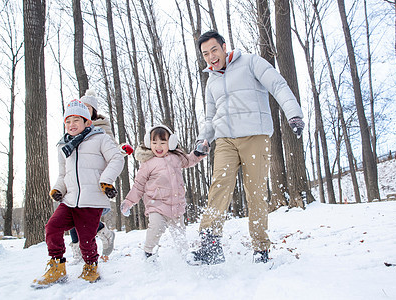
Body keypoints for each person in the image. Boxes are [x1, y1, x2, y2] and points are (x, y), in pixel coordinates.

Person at [189, 30, 305, 265]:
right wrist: (203, 140)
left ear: (223, 47)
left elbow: (278, 84)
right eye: (205, 54)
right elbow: (210, 117)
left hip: (255, 135)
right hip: (225, 141)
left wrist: (293, 114)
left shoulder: (250, 62)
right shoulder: (211, 80)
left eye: (214, 50)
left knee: (256, 193)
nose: (211, 57)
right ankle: (210, 243)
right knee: (218, 186)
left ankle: (260, 248)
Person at [32, 100, 124, 287]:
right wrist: (58, 189)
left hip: (92, 200)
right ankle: (57, 266)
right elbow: (62, 174)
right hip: (70, 199)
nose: (72, 125)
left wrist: (106, 181)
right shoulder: (63, 146)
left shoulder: (100, 138)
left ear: (87, 122)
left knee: (85, 239)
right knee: (52, 227)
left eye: (77, 120)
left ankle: (91, 266)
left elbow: (117, 158)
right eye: (68, 121)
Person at [120, 125, 208, 260]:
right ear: (149, 143)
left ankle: (184, 258)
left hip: (176, 207)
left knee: (180, 235)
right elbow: (139, 186)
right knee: (156, 227)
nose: (158, 146)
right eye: (154, 143)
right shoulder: (148, 163)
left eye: (163, 142)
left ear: (171, 142)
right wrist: (129, 201)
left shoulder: (176, 157)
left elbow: (190, 160)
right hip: (157, 205)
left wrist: (198, 153)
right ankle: (149, 253)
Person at [68, 89, 133, 264]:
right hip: (78, 178)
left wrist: (122, 150)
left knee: (84, 215)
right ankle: (78, 250)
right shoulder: (75, 127)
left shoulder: (102, 128)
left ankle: (103, 233)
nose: (84, 109)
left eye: (88, 107)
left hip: (95, 178)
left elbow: (111, 150)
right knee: (73, 212)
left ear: (94, 111)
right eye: (82, 106)